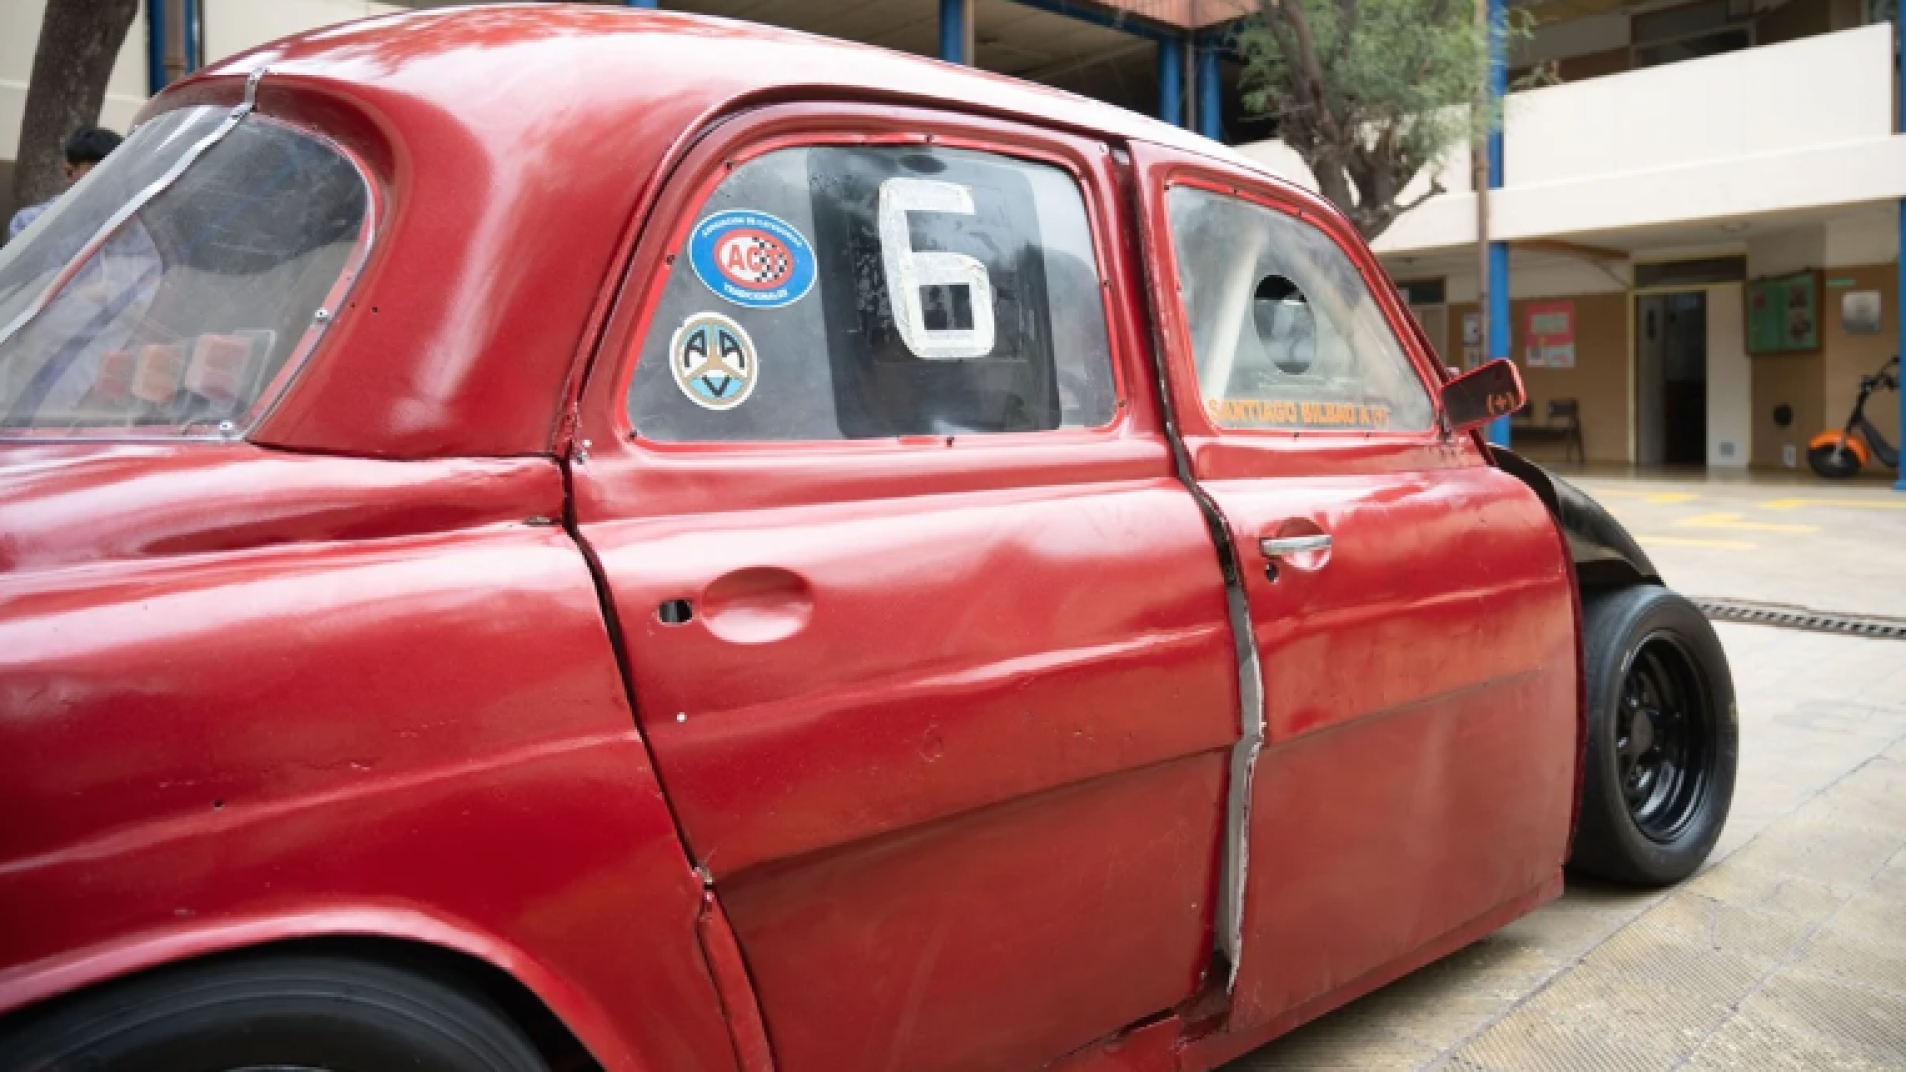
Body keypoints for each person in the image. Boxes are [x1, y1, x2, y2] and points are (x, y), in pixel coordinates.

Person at [7, 126, 123, 242]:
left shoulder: (131, 225)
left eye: (116, 171)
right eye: (98, 170)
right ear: (70, 172)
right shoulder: (31, 222)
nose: (108, 179)